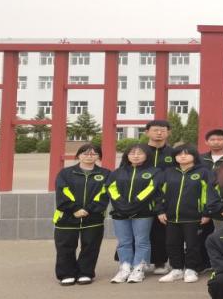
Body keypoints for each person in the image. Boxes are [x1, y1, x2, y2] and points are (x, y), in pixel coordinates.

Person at [155, 145, 216, 284]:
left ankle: (191, 269)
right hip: (171, 217)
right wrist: (160, 210)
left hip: (194, 217)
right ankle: (176, 269)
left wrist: (206, 212)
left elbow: (209, 193)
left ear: (194, 156)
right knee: (172, 244)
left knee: (193, 245)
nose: (182, 156)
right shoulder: (168, 172)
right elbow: (159, 193)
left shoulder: (203, 172)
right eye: (179, 154)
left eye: (186, 154)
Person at [53, 143, 110, 286]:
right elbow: (63, 191)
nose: (89, 156)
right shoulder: (65, 173)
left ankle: (85, 273)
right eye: (85, 153)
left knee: (91, 246)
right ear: (78, 155)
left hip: (93, 216)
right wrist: (75, 209)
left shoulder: (106, 174)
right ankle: (67, 274)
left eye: (93, 153)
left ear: (98, 156)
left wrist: (89, 209)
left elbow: (104, 194)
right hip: (67, 216)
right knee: (65, 246)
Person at [105, 144, 160, 284]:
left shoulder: (154, 171)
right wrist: (121, 204)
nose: (136, 156)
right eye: (132, 153)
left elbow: (151, 188)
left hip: (143, 212)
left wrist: (135, 203)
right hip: (120, 212)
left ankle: (139, 268)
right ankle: (125, 267)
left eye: (140, 153)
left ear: (147, 155)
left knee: (142, 241)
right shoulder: (117, 172)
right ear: (127, 156)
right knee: (124, 242)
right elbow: (111, 188)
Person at [143, 120, 176, 276]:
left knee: (161, 231)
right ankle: (139, 261)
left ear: (168, 133)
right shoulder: (139, 151)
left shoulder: (173, 153)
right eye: (155, 130)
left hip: (165, 197)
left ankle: (160, 262)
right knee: (141, 231)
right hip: (141, 197)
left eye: (162, 130)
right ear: (147, 132)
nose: (159, 133)